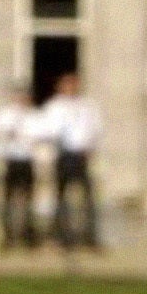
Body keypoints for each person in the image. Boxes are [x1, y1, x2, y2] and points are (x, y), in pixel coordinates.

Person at [41, 71, 104, 249]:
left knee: (87, 197)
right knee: (62, 196)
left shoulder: (87, 106)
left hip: (82, 154)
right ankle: (62, 235)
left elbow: (96, 129)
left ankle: (89, 236)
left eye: (73, 84)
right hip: (64, 154)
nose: (70, 88)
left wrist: (91, 147)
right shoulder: (54, 107)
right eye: (67, 84)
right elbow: (48, 130)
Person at [0, 85, 46, 250]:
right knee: (8, 198)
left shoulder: (35, 116)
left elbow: (38, 135)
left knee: (28, 198)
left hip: (27, 159)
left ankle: (28, 235)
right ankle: (7, 235)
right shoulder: (5, 115)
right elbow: (2, 132)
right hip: (11, 159)